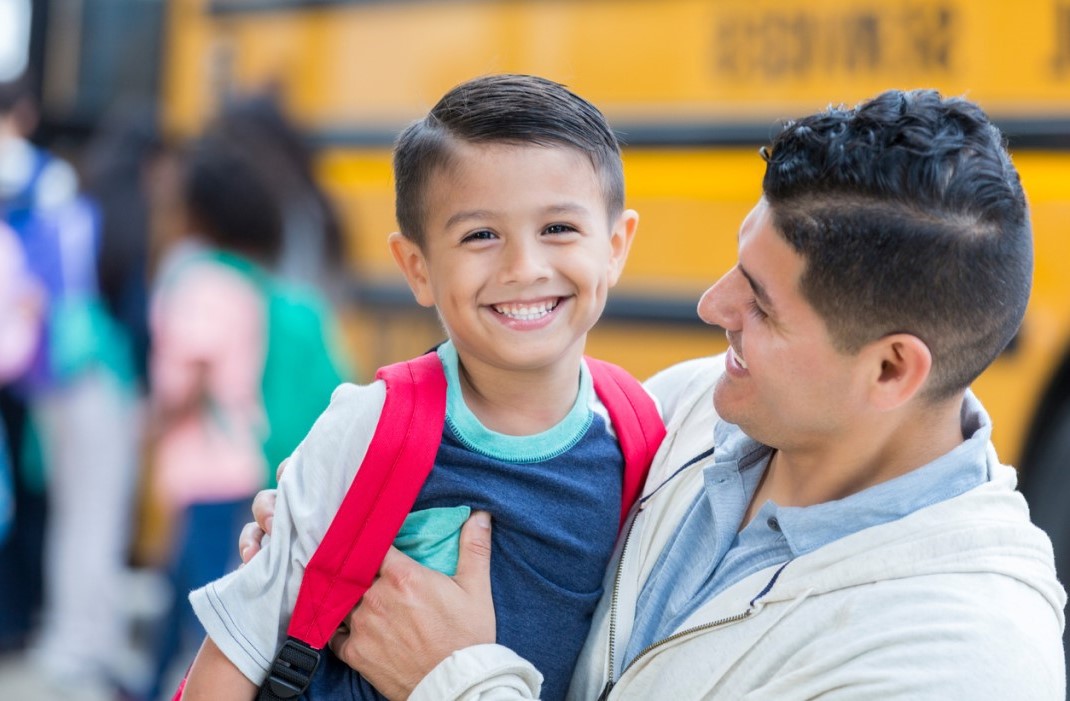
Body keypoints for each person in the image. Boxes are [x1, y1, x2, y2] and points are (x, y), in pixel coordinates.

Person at [243, 88, 1067, 699]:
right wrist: (335, 525)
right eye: (737, 267)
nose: (714, 307)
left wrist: (454, 680)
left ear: (891, 369)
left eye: (762, 304)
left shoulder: (967, 659)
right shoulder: (678, 412)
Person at [179, 73, 641, 701]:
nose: (524, 267)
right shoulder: (373, 426)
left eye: (559, 228)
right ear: (417, 269)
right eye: (481, 235)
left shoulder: (642, 438)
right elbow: (238, 649)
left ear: (615, 247)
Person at [143, 122, 351, 700]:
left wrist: (153, 422)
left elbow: (194, 374)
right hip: (266, 462)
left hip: (219, 464)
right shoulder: (290, 301)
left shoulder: (202, 281)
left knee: (208, 589)